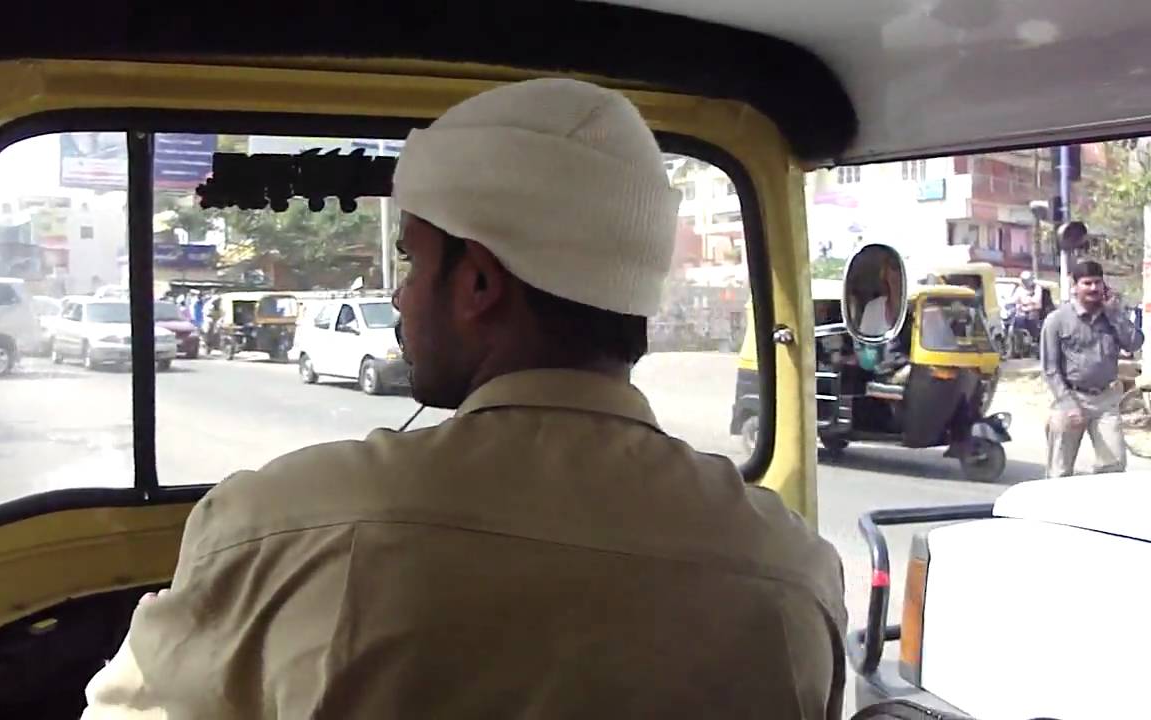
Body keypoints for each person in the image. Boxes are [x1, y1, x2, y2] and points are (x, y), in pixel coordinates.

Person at [81, 79, 847, 718]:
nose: (400, 295)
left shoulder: (278, 532)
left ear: (479, 282)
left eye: (412, 260)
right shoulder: (792, 572)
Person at [1040, 260, 1145, 477]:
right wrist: (1069, 405)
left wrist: (1115, 314)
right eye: (1087, 283)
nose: (1094, 288)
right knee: (1059, 470)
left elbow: (1134, 343)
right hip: (1070, 398)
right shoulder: (1057, 320)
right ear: (1075, 285)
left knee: (1114, 465)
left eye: (1098, 283)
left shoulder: (1111, 315)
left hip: (1106, 399)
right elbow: (1050, 369)